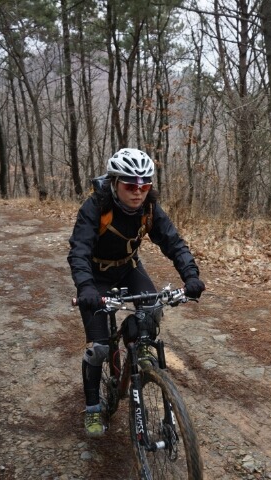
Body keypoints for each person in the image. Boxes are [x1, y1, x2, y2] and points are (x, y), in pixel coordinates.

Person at [67, 147, 206, 437]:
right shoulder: (96, 206)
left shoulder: (150, 209)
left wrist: (191, 276)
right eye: (131, 186)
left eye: (145, 186)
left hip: (128, 267)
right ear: (115, 182)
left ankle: (139, 353)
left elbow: (173, 243)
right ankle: (93, 408)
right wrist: (86, 288)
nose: (138, 192)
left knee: (151, 310)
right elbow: (79, 251)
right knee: (99, 349)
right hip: (96, 275)